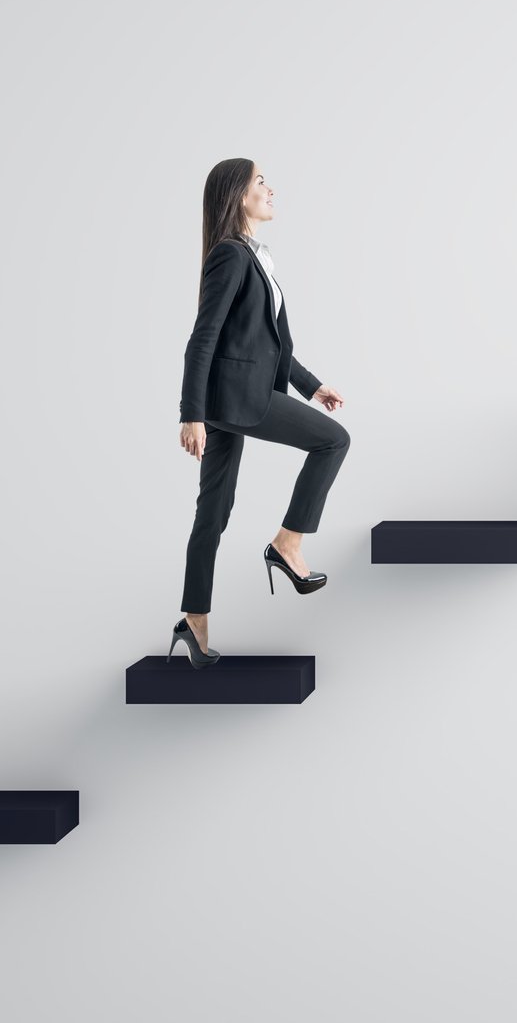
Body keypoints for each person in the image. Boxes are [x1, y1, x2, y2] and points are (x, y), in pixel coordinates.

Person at [169, 158, 350, 667]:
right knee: (333, 441)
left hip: (232, 400)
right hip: (234, 401)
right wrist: (192, 414)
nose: (271, 189)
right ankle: (287, 545)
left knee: (213, 512)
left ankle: (193, 622)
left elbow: (265, 345)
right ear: (237, 196)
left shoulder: (254, 255)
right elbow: (202, 338)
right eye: (261, 182)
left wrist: (312, 387)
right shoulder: (230, 255)